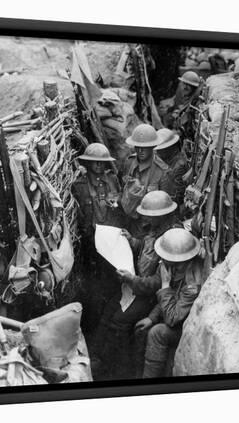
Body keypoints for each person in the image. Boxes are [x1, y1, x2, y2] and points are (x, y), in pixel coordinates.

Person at [90, 191, 181, 380]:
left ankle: (120, 369)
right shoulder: (155, 229)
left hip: (150, 296)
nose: (143, 217)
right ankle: (98, 358)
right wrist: (133, 241)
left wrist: (131, 280)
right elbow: (146, 249)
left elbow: (159, 282)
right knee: (109, 309)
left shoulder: (172, 238)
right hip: (137, 286)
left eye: (147, 214)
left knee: (120, 321)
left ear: (160, 215)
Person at [122, 228, 203, 378]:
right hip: (171, 311)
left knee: (157, 333)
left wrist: (165, 286)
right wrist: (151, 318)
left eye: (172, 263)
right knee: (141, 329)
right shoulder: (176, 267)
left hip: (183, 325)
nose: (166, 266)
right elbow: (171, 297)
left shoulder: (192, 284)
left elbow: (173, 319)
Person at [72, 143, 125, 334]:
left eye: (102, 163)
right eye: (95, 162)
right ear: (88, 163)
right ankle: (93, 325)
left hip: (112, 240)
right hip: (92, 244)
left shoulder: (112, 180)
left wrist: (116, 206)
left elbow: (121, 207)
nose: (98, 166)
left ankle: (112, 324)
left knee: (114, 281)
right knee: (94, 286)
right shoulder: (80, 186)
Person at [120, 123, 174, 238]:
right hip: (128, 223)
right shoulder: (129, 163)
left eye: (145, 147)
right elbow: (122, 187)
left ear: (153, 146)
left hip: (148, 230)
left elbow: (167, 210)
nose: (140, 150)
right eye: (137, 146)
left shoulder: (162, 172)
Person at [154, 128, 190, 208]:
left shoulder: (178, 166)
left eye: (160, 150)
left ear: (168, 148)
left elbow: (178, 195)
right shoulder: (173, 162)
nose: (158, 153)